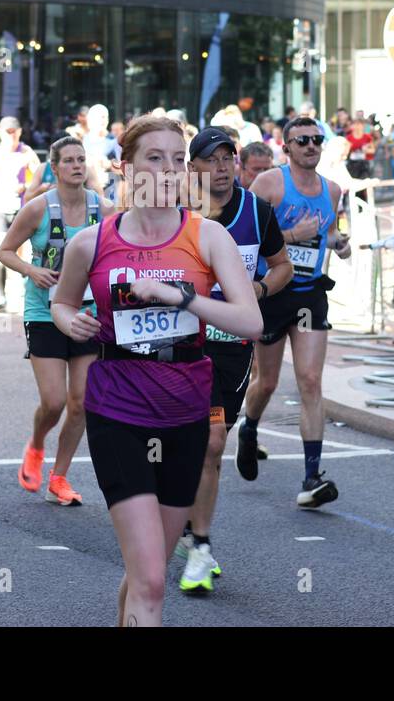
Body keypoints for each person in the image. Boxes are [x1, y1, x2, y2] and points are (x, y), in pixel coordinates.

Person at [49, 115, 262, 626]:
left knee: (149, 573)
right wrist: (71, 322)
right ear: (126, 167)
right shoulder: (91, 243)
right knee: (149, 581)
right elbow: (61, 301)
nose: (167, 169)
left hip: (184, 413)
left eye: (176, 159)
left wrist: (182, 296)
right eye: (154, 157)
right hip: (117, 412)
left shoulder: (207, 237)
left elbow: (249, 320)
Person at [176, 127, 291, 592]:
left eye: (229, 158)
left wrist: (256, 290)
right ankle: (190, 534)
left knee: (211, 440)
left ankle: (195, 538)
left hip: (230, 345)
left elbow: (282, 266)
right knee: (195, 439)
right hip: (181, 341)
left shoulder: (258, 212)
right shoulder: (175, 214)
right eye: (212, 159)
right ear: (193, 168)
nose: (222, 167)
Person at [237, 117, 352, 507]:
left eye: (317, 140)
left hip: (310, 293)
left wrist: (338, 242)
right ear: (287, 147)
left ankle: (312, 477)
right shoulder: (270, 183)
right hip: (272, 293)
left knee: (310, 380)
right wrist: (289, 237)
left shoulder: (332, 189)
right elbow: (247, 234)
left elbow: (327, 231)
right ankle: (249, 428)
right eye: (302, 140)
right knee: (266, 382)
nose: (311, 146)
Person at [0, 137, 114, 506]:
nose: (77, 166)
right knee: (54, 401)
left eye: (82, 159)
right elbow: (4, 251)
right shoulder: (38, 209)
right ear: (55, 168)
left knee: (81, 402)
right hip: (44, 312)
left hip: (87, 313)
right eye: (69, 161)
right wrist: (32, 270)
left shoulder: (104, 209)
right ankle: (36, 445)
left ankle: (59, 477)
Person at [0, 116, 41, 313]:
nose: (11, 135)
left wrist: (26, 186)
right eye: (7, 132)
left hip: (21, 208)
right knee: (1, 249)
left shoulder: (26, 152)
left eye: (14, 131)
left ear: (19, 132)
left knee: (22, 251)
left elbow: (39, 177)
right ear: (0, 132)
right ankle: (1, 295)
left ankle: (21, 291)